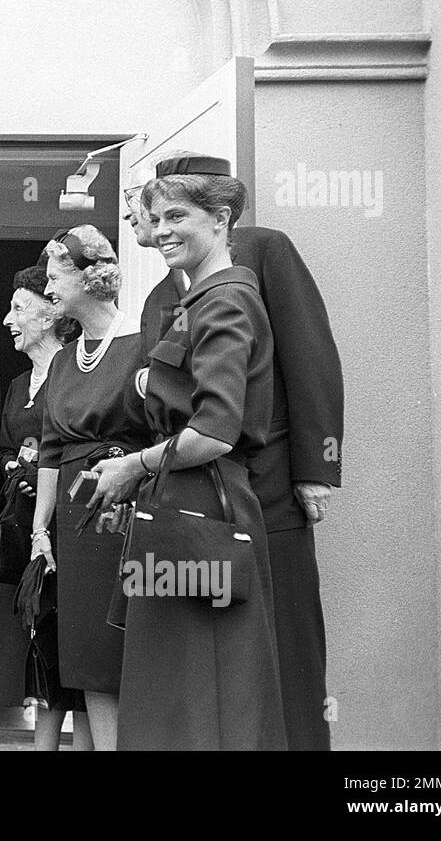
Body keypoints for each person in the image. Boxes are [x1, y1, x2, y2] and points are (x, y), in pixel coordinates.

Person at [131, 152, 344, 750]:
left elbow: (309, 355)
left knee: (287, 646)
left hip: (269, 488)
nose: (154, 222)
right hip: (193, 501)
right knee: (206, 661)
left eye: (172, 209)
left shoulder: (262, 252)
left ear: (215, 213)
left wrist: (315, 467)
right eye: (148, 210)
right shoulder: (153, 299)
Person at [92, 164, 286, 750]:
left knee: (202, 684)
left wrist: (135, 465)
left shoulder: (225, 301)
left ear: (222, 220)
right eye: (158, 218)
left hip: (204, 506)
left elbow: (215, 431)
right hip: (179, 503)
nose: (163, 230)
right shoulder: (197, 298)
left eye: (179, 216)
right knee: (173, 682)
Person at [25, 230, 148, 751]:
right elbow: (51, 452)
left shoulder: (144, 343)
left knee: (118, 648)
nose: (49, 289)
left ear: (86, 278)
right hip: (73, 523)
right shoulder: (62, 359)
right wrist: (40, 530)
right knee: (86, 656)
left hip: (123, 509)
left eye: (54, 278)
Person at [0, 265, 95, 750]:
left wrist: (40, 478)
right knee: (39, 647)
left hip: (73, 531)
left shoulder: (79, 369)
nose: (7, 319)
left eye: (18, 309)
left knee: (81, 652)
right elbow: (5, 449)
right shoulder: (16, 385)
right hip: (28, 532)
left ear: (51, 315)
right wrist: (15, 471)